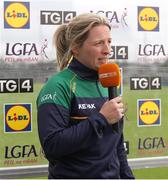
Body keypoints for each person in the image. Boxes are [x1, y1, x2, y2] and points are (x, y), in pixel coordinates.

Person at [37, 13, 134, 179]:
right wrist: (101, 119)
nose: (107, 50)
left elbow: (116, 144)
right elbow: (52, 146)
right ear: (75, 47)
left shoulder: (109, 83)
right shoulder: (59, 85)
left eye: (109, 42)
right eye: (98, 43)